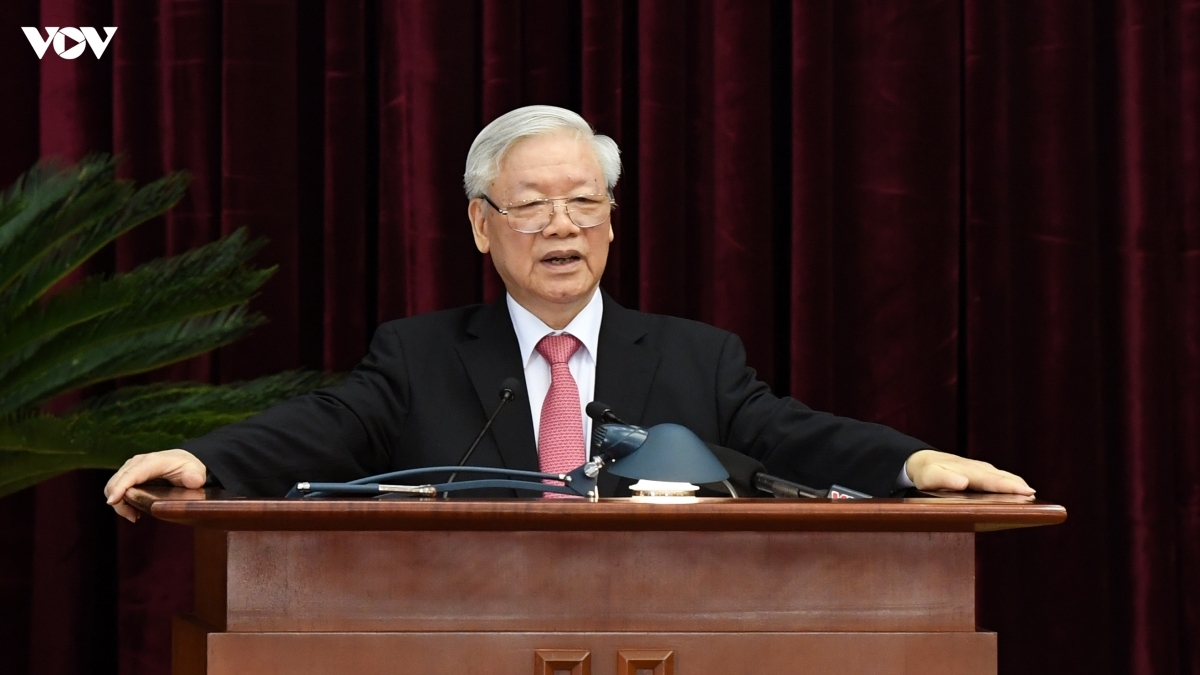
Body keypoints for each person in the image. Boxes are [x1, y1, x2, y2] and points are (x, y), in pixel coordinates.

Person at [104, 105, 1033, 522]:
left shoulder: (696, 358)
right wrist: (202, 458)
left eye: (585, 203)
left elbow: (790, 436)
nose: (562, 226)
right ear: (481, 224)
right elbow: (328, 424)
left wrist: (915, 461)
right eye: (533, 204)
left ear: (613, 220)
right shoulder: (417, 355)